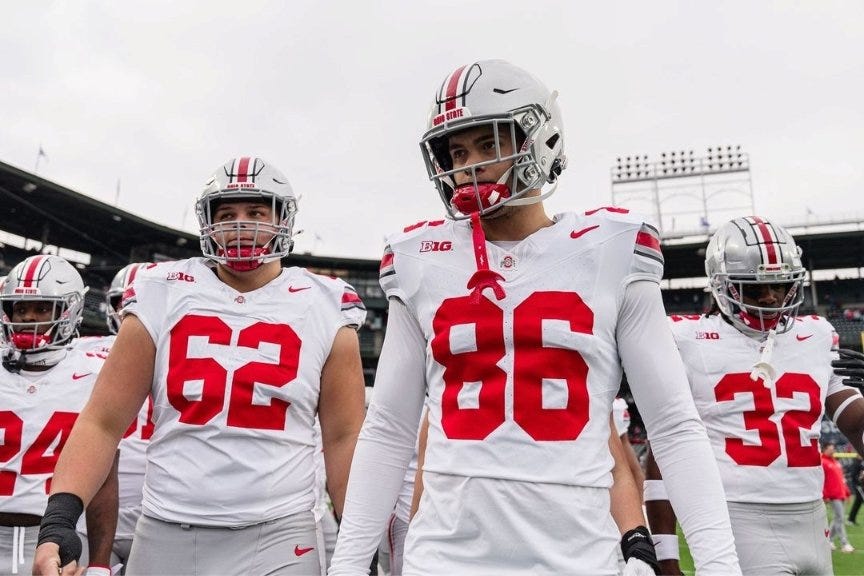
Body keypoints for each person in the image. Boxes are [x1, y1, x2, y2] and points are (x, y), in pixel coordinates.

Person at [329, 59, 740, 575]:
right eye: (457, 152)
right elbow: (389, 428)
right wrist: (345, 566)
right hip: (444, 559)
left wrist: (721, 566)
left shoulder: (612, 249)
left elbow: (674, 424)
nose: (469, 165)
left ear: (538, 140)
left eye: (489, 144)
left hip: (577, 558)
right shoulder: (418, 258)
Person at [33, 157, 368, 576]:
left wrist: (360, 544)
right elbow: (103, 422)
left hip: (281, 534)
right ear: (207, 223)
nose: (241, 225)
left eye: (256, 212)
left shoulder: (325, 302)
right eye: (227, 214)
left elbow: (342, 437)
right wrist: (59, 522)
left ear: (284, 220)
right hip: (167, 529)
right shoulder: (162, 291)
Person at [645, 216, 864, 574]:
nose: (770, 297)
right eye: (754, 287)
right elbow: (664, 449)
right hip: (737, 516)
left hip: (812, 513)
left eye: (779, 285)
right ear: (723, 284)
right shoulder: (684, 339)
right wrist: (665, 557)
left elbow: (854, 420)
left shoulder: (819, 334)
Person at [0, 255, 117, 576]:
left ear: (68, 311)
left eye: (42, 308)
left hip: (54, 537)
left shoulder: (94, 372)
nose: (28, 318)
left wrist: (99, 564)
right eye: (20, 309)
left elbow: (105, 478)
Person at [74, 263, 156, 574]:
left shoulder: (188, 351)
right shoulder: (78, 351)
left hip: (158, 509)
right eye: (126, 302)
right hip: (91, 509)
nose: (132, 310)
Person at [822, 442, 854, 553]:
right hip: (832, 495)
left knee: (837, 519)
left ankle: (828, 541)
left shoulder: (835, 462)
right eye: (831, 448)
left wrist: (847, 492)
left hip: (840, 494)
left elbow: (841, 479)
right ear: (825, 449)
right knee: (840, 518)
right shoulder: (823, 462)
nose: (833, 450)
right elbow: (822, 481)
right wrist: (825, 495)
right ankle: (844, 543)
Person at [848, 454, 864, 525]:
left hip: (860, 485)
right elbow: (853, 475)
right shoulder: (856, 463)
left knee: (858, 503)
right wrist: (859, 481)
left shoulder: (860, 462)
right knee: (859, 502)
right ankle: (851, 519)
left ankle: (851, 519)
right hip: (858, 486)